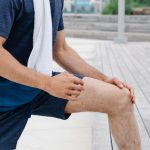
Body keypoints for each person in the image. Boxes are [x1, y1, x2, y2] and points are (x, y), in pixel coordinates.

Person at [0, 0, 141, 150]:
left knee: (120, 98)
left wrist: (105, 80)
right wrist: (47, 83)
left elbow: (61, 50)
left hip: (38, 86)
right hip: (5, 95)